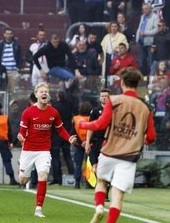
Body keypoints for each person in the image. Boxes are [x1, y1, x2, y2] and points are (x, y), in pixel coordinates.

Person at [79, 67, 156, 223]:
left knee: (101, 181)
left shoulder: (113, 101)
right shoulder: (145, 108)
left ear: (122, 82)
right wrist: (140, 139)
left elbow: (100, 124)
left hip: (109, 151)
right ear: (137, 84)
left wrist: (83, 124)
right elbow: (152, 137)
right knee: (118, 194)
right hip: (129, 157)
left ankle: (99, 207)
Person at [17, 83, 77, 218]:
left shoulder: (53, 112)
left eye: (46, 91)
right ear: (36, 95)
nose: (44, 93)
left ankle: (38, 208)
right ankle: (21, 166)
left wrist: (69, 139)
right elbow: (22, 131)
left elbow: (60, 129)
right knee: (23, 181)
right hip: (28, 150)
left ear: (48, 95)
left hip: (44, 150)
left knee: (43, 176)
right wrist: (21, 136)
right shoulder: (28, 112)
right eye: (41, 91)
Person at [50, 91, 75, 185]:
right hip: (66, 134)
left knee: (55, 157)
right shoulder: (69, 105)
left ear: (57, 96)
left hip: (56, 134)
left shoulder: (55, 107)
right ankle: (73, 176)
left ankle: (57, 178)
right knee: (67, 156)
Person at [72, 101, 92, 189]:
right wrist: (87, 141)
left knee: (78, 164)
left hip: (78, 144)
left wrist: (81, 142)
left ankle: (77, 182)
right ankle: (89, 183)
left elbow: (72, 132)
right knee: (90, 163)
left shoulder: (75, 119)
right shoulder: (92, 118)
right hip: (90, 143)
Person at [136, 3, 159, 76]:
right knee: (141, 62)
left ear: (150, 9)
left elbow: (157, 29)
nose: (144, 10)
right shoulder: (142, 16)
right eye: (143, 9)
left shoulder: (155, 17)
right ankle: (145, 77)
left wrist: (146, 33)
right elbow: (140, 27)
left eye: (145, 9)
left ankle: (151, 77)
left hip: (151, 43)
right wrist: (137, 37)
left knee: (151, 61)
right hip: (141, 42)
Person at [0, 28, 22, 92]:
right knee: (3, 90)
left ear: (12, 35)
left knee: (13, 90)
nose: (8, 35)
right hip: (3, 71)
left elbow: (20, 57)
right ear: (4, 35)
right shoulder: (1, 45)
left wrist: (18, 68)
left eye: (10, 34)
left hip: (13, 71)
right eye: (7, 34)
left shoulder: (17, 45)